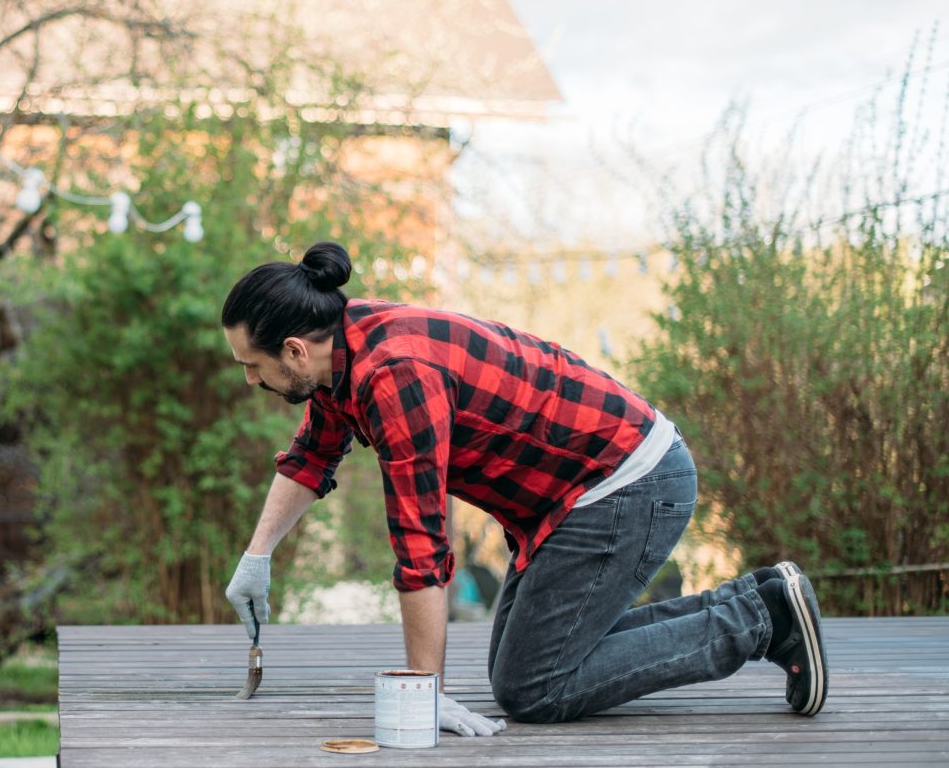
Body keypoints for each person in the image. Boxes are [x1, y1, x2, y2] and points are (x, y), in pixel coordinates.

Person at [221, 240, 828, 736]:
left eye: (253, 365)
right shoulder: (345, 351)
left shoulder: (394, 376)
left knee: (534, 688)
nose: (251, 379)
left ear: (295, 350)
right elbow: (311, 456)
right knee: (525, 665)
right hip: (570, 497)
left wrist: (423, 692)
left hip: (623, 483)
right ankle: (768, 601)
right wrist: (257, 557)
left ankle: (756, 619)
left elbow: (420, 544)